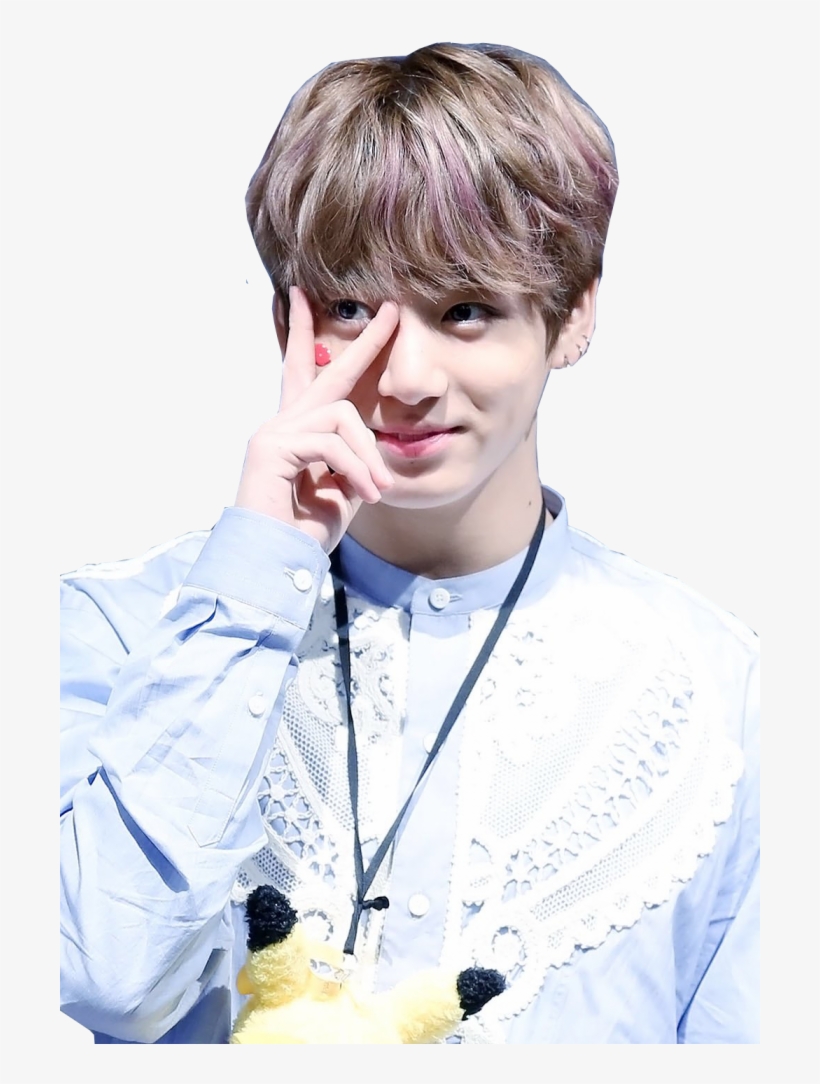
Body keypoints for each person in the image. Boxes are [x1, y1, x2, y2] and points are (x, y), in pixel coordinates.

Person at [59, 41, 759, 1044]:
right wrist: (259, 568)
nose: (408, 378)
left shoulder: (720, 690)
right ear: (284, 322)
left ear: (571, 314)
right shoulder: (120, 629)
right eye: (353, 310)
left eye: (465, 310)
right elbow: (109, 981)